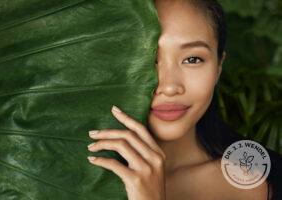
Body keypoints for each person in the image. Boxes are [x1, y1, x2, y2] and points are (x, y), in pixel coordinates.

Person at [86, 0, 282, 199]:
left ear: (218, 67)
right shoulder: (68, 177)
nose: (170, 87)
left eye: (192, 59)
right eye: (146, 59)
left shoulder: (269, 178)